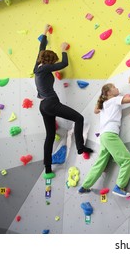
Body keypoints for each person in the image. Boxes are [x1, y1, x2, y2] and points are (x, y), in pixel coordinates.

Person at [34, 24, 93, 179]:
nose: (54, 64)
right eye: (53, 62)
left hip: (43, 106)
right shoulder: (45, 68)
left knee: (50, 136)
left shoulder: (37, 66)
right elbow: (64, 64)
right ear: (49, 62)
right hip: (51, 103)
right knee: (79, 118)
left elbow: (41, 47)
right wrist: (64, 49)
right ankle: (80, 147)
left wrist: (45, 32)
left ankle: (47, 168)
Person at [78, 77, 130, 197]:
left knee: (100, 163)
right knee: (127, 160)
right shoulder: (115, 100)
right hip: (110, 135)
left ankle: (85, 186)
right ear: (109, 93)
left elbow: (95, 110)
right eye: (114, 87)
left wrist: (101, 97)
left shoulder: (104, 104)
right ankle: (119, 187)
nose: (117, 88)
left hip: (104, 136)